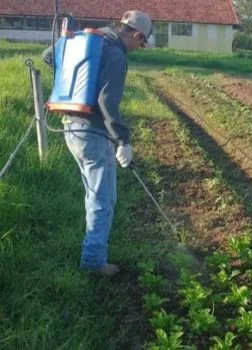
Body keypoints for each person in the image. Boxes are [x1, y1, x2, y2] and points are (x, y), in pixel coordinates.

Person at [42, 10, 152, 276]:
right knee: (102, 199)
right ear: (136, 35)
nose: (139, 49)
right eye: (142, 43)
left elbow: (48, 57)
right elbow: (107, 102)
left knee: (93, 194)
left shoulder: (90, 39)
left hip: (70, 125)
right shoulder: (116, 54)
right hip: (92, 131)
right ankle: (93, 262)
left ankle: (92, 252)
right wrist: (122, 141)